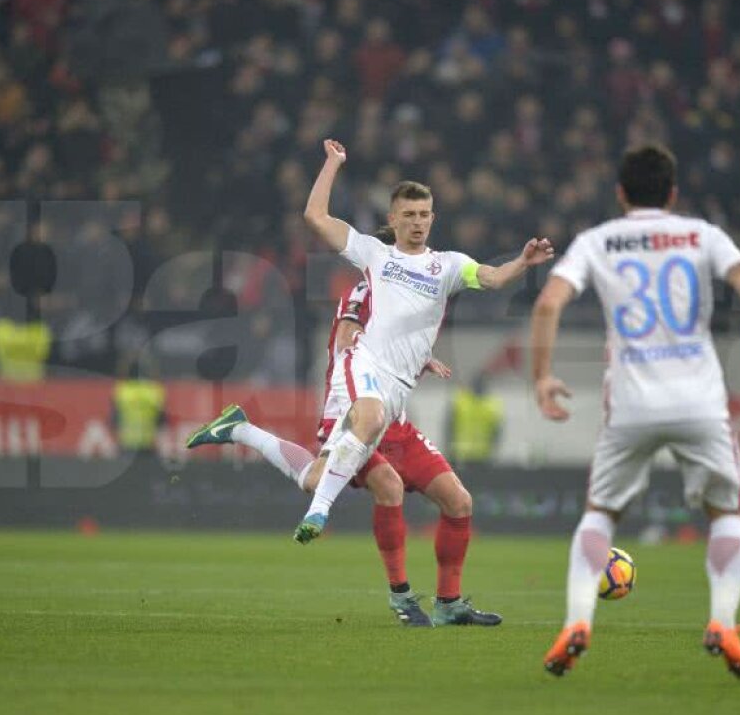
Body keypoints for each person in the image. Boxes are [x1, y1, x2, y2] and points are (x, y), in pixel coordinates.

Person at [187, 138, 551, 607]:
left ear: (433, 218)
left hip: (395, 396)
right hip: (360, 379)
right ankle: (322, 518)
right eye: (410, 215)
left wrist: (522, 262)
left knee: (347, 477)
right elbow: (316, 219)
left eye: (425, 215)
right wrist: (332, 164)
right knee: (372, 439)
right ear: (393, 219)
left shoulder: (449, 266)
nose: (418, 222)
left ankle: (245, 432)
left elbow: (495, 278)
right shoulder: (375, 259)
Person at [529, 144, 740, 679]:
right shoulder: (702, 235)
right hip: (700, 401)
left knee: (600, 513)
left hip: (630, 402)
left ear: (620, 193)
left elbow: (549, 302)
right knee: (726, 514)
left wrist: (542, 376)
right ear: (673, 194)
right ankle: (723, 622)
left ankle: (577, 621)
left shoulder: (597, 241)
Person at [317, 275, 499, 626]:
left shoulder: (406, 296)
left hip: (396, 424)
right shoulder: (364, 290)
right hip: (356, 418)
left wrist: (418, 358)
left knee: (459, 502)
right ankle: (401, 597)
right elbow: (345, 343)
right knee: (376, 487)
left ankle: (448, 604)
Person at [444, 371, 503, 464]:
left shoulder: (460, 401)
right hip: (461, 456)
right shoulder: (460, 401)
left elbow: (497, 432)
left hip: (481, 457)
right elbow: (449, 427)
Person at [112, 358, 167, 453]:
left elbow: (114, 419)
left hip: (126, 445)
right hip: (148, 444)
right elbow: (161, 421)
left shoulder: (121, 391)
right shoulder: (155, 391)